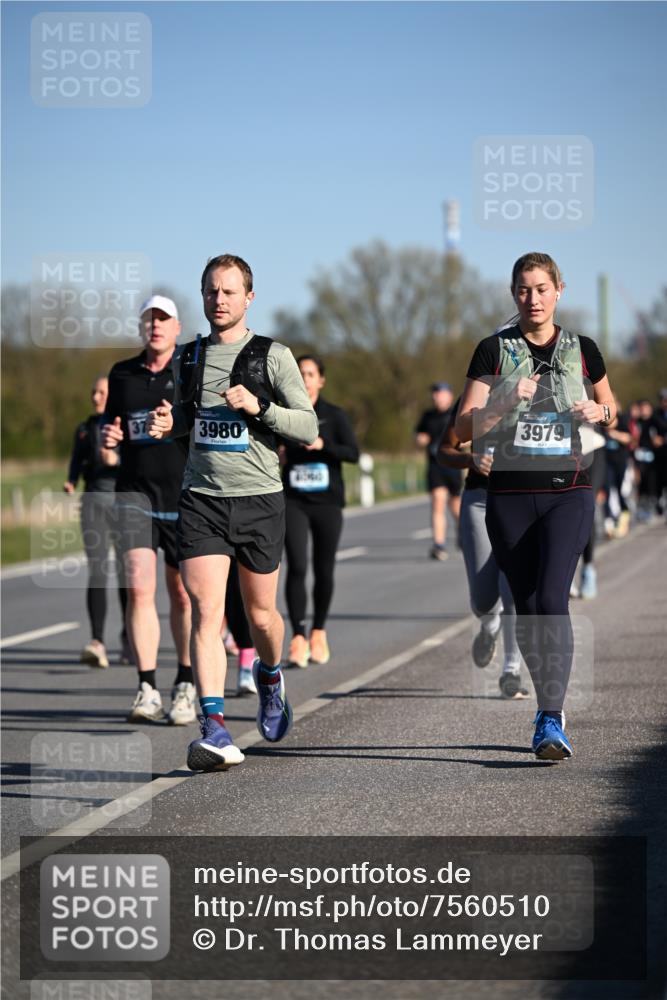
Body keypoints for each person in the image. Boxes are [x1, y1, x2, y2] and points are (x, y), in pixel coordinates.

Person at [146, 254, 318, 772]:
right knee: (207, 613)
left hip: (260, 500)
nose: (218, 300)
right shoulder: (189, 357)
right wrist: (167, 422)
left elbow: (307, 429)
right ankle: (215, 727)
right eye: (210, 291)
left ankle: (269, 674)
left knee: (262, 617)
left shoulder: (272, 356)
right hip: (201, 499)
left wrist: (259, 408)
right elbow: (187, 420)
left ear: (249, 298)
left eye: (228, 291)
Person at [456, 252, 616, 761]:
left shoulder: (583, 350)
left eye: (542, 288)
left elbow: (610, 408)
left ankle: (551, 715)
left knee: (552, 598)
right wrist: (502, 399)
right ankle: (546, 709)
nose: (534, 299)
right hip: (508, 496)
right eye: (524, 290)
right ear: (513, 294)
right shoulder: (493, 351)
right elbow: (461, 427)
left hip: (567, 491)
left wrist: (599, 410)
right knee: (527, 608)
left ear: (559, 290)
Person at [102, 295, 195, 726]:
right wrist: (108, 442)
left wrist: (175, 423)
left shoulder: (189, 369)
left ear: (177, 328)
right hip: (134, 494)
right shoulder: (123, 374)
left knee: (181, 593)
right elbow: (111, 429)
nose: (155, 326)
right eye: (149, 320)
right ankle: (146, 687)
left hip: (182, 494)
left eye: (163, 320)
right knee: (140, 590)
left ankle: (186, 682)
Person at [438, 397, 527, 699]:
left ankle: (511, 670)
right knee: (483, 598)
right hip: (480, 500)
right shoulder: (472, 400)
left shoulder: (541, 396)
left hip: (522, 503)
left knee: (514, 588)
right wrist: (470, 460)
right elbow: (444, 450)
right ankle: (489, 625)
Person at [282, 354, 359, 667]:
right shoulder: (285, 413)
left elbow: (352, 453)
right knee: (298, 566)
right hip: (293, 501)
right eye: (300, 373)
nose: (306, 378)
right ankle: (297, 637)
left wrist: (322, 444)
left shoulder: (335, 415)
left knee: (324, 568)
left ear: (321, 380)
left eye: (311, 373)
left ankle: (318, 632)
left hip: (327, 502)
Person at [64, 376, 129, 669]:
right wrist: (70, 481)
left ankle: (130, 638)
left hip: (125, 504)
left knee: (128, 573)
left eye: (102, 391)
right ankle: (97, 642)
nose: (96, 396)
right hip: (93, 504)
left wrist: (116, 461)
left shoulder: (125, 423)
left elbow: (143, 460)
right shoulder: (86, 428)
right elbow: (77, 459)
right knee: (98, 570)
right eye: (93, 391)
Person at [415, 383, 462, 560]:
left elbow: (466, 435)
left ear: (449, 396)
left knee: (456, 506)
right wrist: (421, 438)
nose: (437, 397)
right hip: (435, 465)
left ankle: (462, 533)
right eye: (435, 394)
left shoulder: (456, 413)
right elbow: (419, 434)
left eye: (441, 394)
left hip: (453, 464)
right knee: (438, 501)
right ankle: (439, 545)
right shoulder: (428, 416)